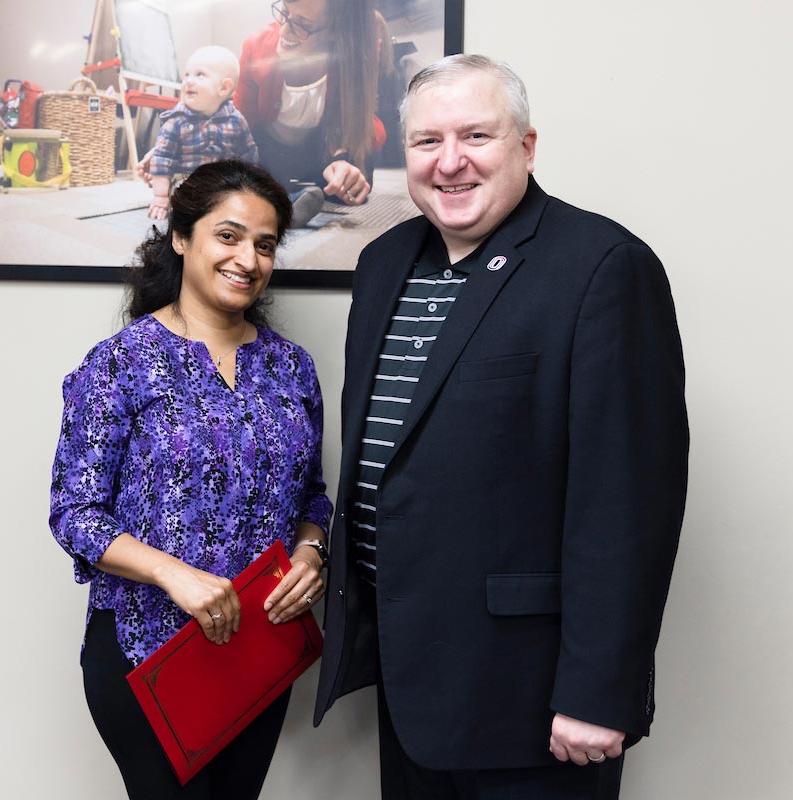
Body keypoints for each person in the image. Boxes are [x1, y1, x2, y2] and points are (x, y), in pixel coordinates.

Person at [313, 55, 689, 799]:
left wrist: (598, 690)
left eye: (476, 135)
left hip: (534, 696)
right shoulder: (385, 263)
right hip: (410, 673)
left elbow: (628, 503)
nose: (449, 162)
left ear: (527, 145)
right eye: (427, 142)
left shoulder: (602, 267)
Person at [50, 160, 333, 800]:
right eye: (228, 236)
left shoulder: (292, 369)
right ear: (182, 237)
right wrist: (171, 572)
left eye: (265, 245)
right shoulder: (121, 364)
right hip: (147, 652)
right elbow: (75, 514)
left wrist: (314, 550)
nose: (248, 259)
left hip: (258, 650)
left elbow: (311, 494)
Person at [234, 0, 386, 217]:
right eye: (285, 13)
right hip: (267, 148)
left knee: (354, 179)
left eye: (302, 22)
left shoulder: (357, 52)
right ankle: (286, 199)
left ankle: (296, 194)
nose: (284, 30)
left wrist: (343, 160)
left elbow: (363, 118)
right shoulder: (256, 47)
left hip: (320, 146)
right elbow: (240, 124)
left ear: (334, 31)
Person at [142, 46, 258, 220]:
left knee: (245, 194)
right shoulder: (176, 121)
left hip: (224, 180)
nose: (188, 81)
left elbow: (248, 155)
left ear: (224, 88)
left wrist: (249, 184)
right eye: (186, 75)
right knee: (185, 196)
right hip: (187, 179)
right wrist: (160, 198)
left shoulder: (235, 120)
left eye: (199, 75)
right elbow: (162, 160)